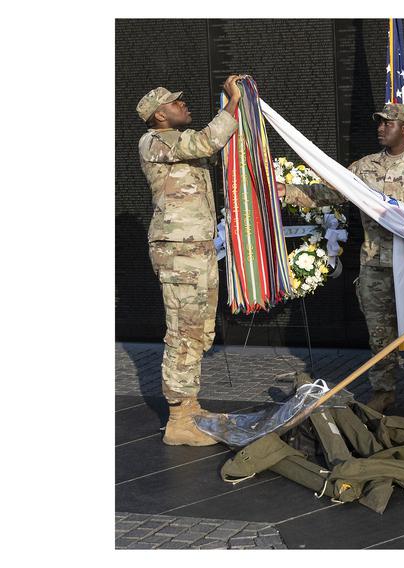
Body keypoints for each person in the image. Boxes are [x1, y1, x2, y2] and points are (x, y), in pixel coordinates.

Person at [281, 102, 404, 418]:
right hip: (375, 266)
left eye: (387, 124)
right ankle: (384, 391)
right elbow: (330, 192)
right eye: (378, 123)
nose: (380, 128)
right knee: (379, 334)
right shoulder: (363, 168)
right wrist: (287, 190)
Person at [137, 75, 242, 446]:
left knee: (197, 329)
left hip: (195, 247)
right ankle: (178, 420)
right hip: (178, 250)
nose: (184, 105)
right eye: (175, 103)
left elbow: (211, 144)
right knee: (183, 331)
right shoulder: (156, 141)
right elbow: (208, 139)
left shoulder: (177, 142)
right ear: (159, 115)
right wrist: (233, 101)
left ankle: (191, 408)